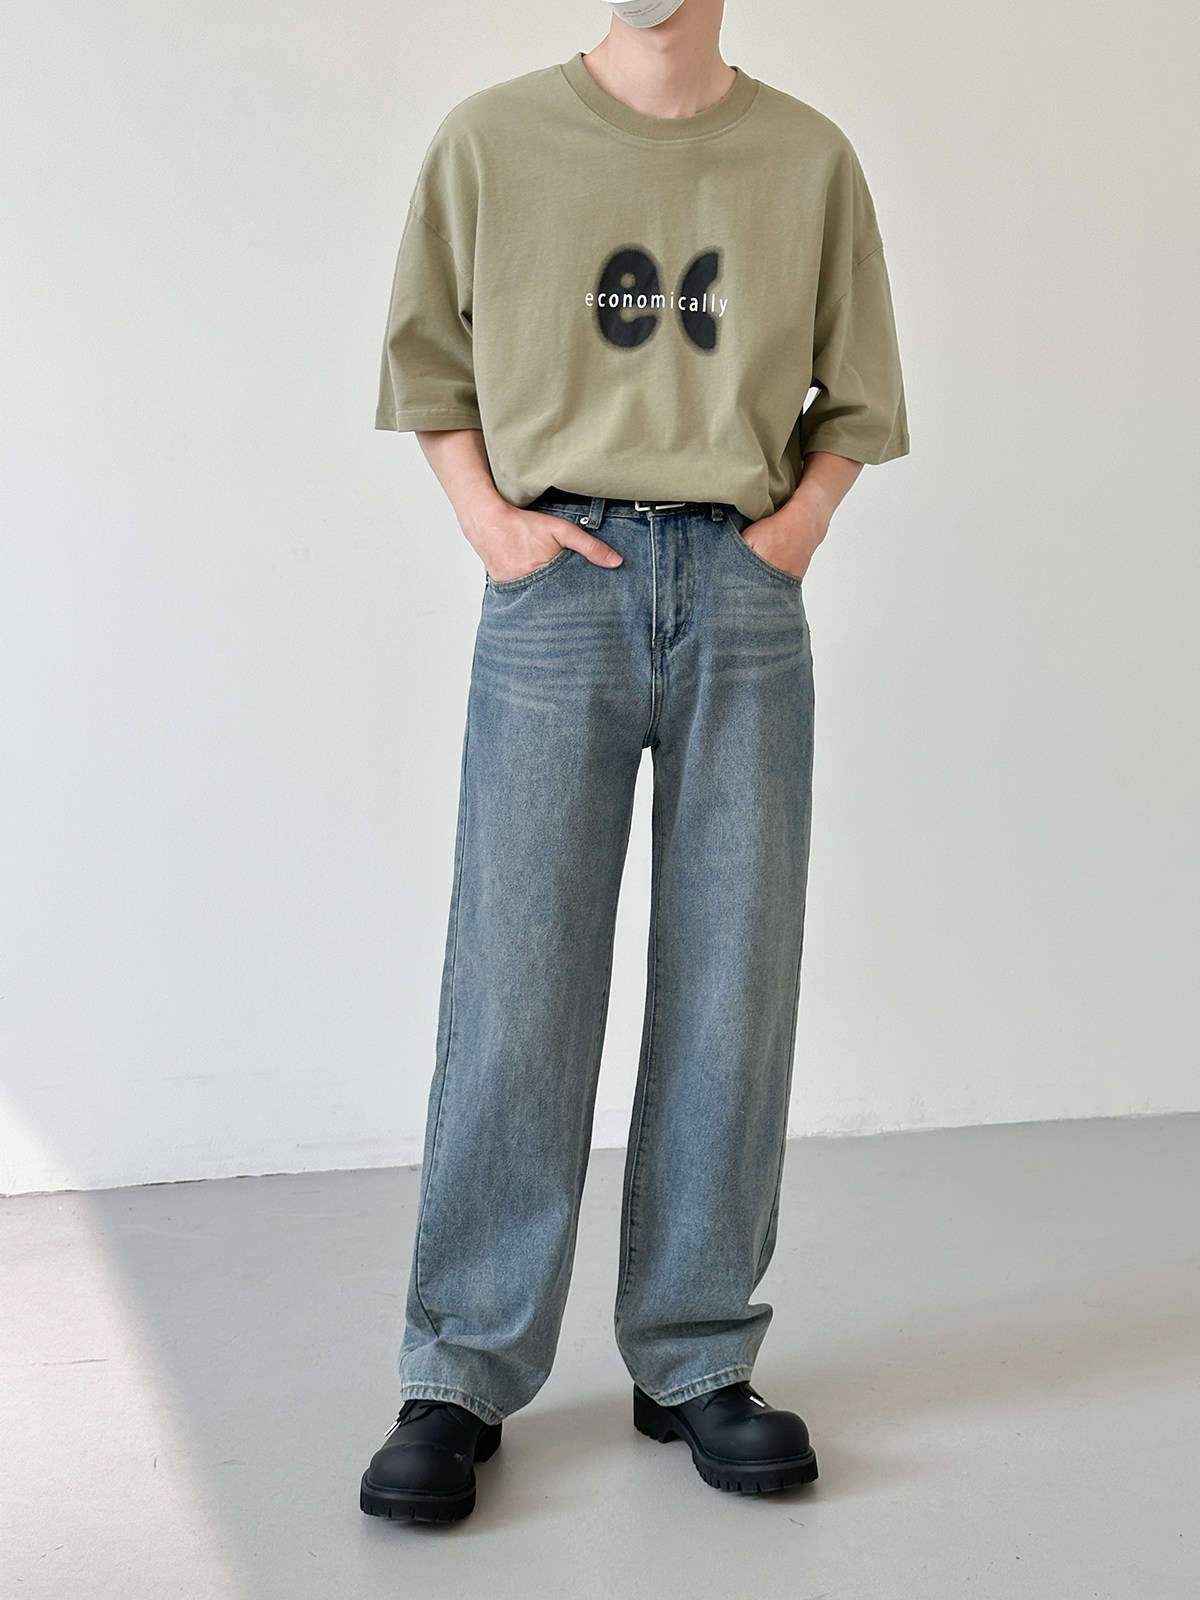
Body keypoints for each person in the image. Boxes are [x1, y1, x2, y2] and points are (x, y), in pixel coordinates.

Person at [360, 0, 908, 1523]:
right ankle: (458, 1370)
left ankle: (695, 1354)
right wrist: (491, 527)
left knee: (735, 968)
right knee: (516, 972)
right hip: (558, 593)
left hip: (740, 590)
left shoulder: (807, 158)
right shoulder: (491, 139)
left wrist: (790, 536)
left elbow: (860, 392)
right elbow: (428, 361)